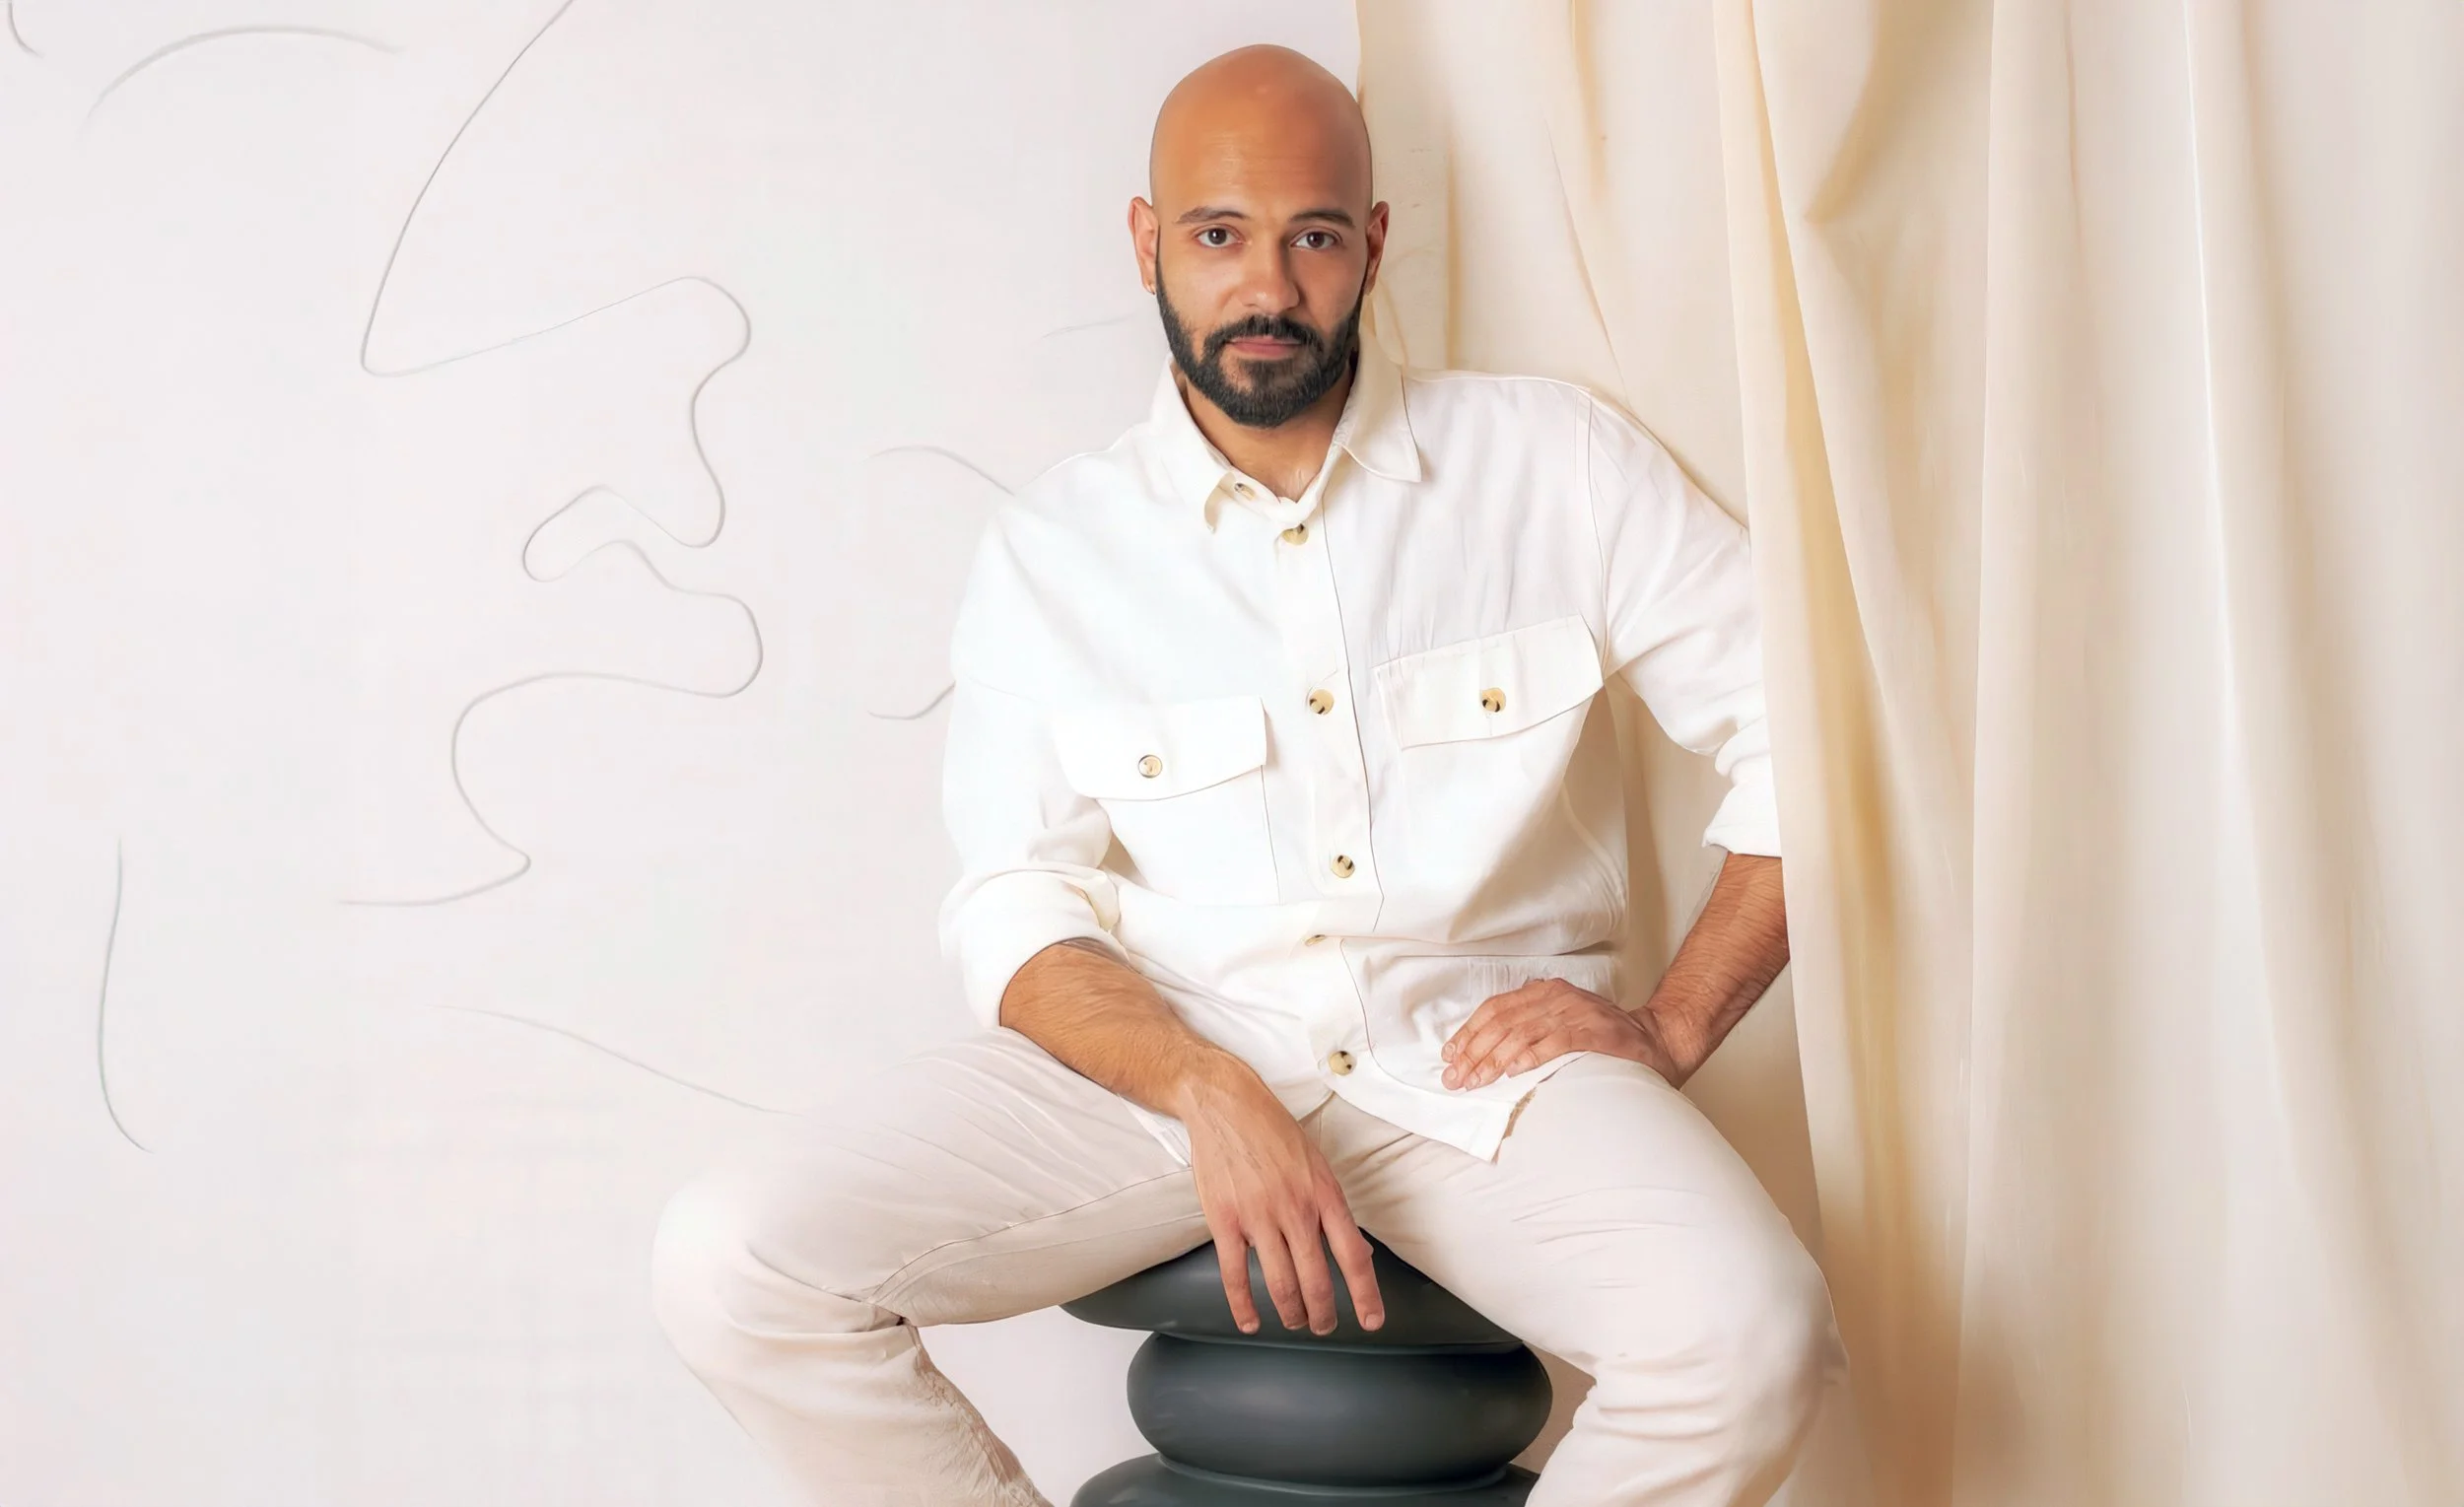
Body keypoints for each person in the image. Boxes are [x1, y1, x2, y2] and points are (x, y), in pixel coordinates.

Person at [650, 42, 1845, 1507]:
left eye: (1314, 237)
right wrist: (1202, 1085)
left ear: (1374, 245)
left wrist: (1665, 1024)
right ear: (1149, 242)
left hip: (1486, 1070)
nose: (1268, 288)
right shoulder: (1056, 551)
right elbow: (1018, 901)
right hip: (1173, 1062)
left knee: (1754, 1338)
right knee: (735, 1263)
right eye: (1219, 236)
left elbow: (1812, 740)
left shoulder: (1556, 465)